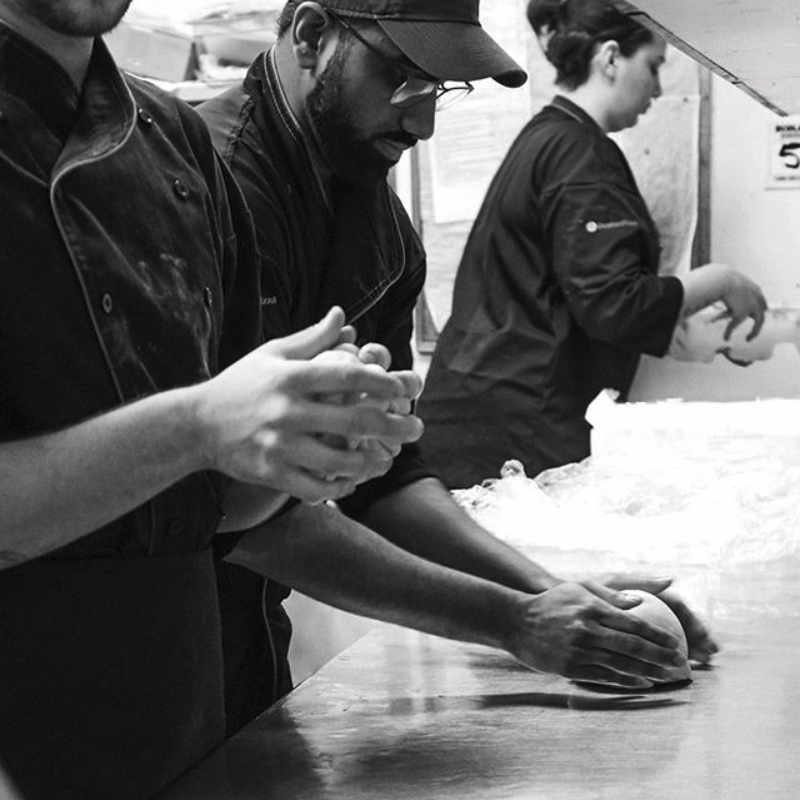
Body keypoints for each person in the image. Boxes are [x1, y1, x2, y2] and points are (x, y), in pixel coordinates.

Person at [198, 0, 717, 737]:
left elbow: (386, 480)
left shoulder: (380, 231)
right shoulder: (203, 190)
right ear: (311, 35)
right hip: (139, 642)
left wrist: (553, 594)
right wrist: (513, 620)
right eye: (403, 77)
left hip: (245, 633)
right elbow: (228, 512)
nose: (423, 123)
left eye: (440, 90)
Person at [0, 0, 425, 796]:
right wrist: (198, 425)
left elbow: (220, 511)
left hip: (183, 727)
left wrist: (302, 445)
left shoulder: (176, 143)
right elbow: (197, 434)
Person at [416, 0, 769, 489]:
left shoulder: (550, 137)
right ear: (610, 58)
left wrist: (683, 326)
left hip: (482, 417)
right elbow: (612, 304)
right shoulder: (580, 155)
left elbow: (574, 296)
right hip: (512, 431)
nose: (658, 89)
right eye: (654, 66)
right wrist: (721, 280)